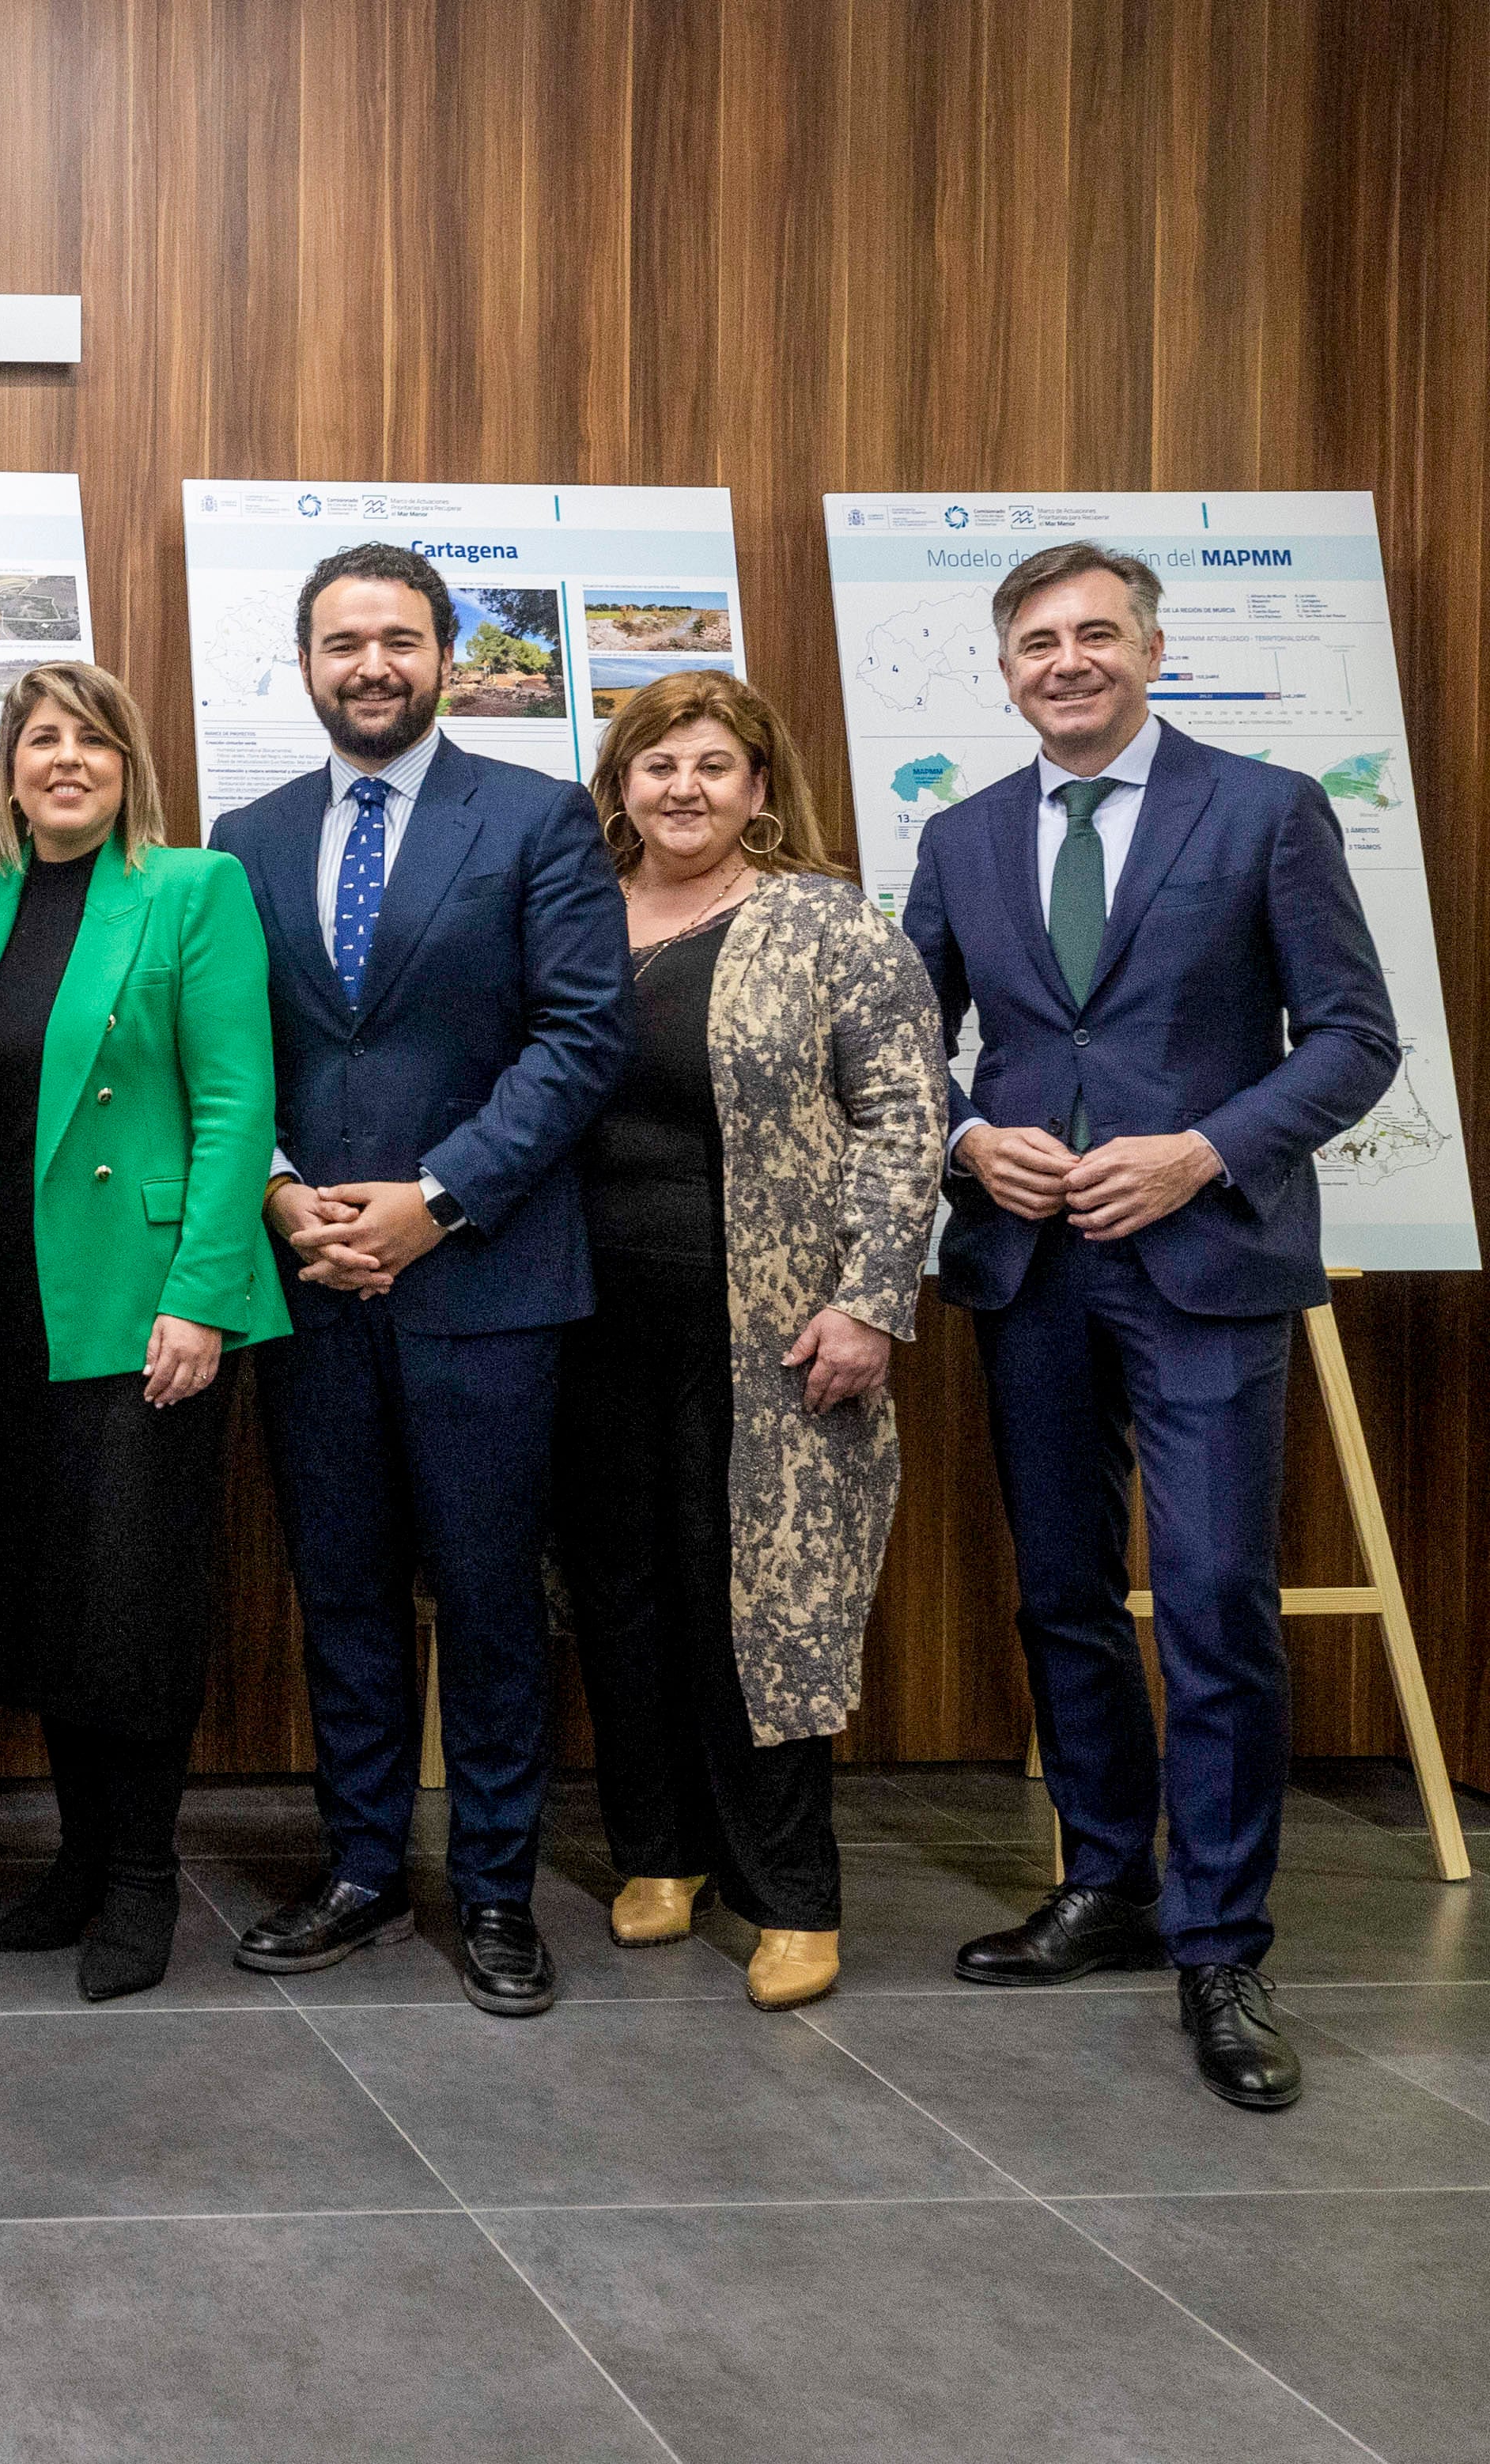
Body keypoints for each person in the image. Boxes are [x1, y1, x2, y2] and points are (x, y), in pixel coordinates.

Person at [902, 539, 1397, 2110]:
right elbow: (902, 1056)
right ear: (1003, 668)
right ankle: (1105, 1884)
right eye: (1035, 640)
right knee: (1060, 1591)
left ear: (1148, 647)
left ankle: (1219, 1940)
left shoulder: (1259, 809)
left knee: (1205, 1599)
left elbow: (1351, 1040)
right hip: (1026, 1265)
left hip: (1200, 1257)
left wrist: (1202, 1149)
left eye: (1093, 633)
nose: (1065, 660)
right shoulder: (962, 835)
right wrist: (970, 1143)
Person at [209, 542, 630, 2019]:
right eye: (340, 642)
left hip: (486, 1285)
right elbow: (223, 1055)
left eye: (397, 638)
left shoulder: (537, 819)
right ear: (306, 663)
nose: (369, 664)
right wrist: (275, 1197)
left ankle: (500, 1891)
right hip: (310, 1282)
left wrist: (435, 1203)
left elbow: (580, 1040)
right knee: (343, 1596)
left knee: (491, 1598)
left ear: (446, 656)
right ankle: (365, 1870)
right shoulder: (243, 839)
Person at [554, 671, 944, 2012]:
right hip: (588, 1319)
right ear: (621, 786)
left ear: (761, 789)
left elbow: (906, 1119)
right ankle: (660, 1854)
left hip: (772, 1336)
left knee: (759, 1605)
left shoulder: (829, 928)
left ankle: (792, 1895)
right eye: (658, 766)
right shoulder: (576, 920)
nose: (683, 789)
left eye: (714, 766)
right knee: (622, 1588)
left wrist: (873, 1300)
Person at [0, 661, 279, 2004]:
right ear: (7, 768)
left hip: (146, 1307)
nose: (62, 759)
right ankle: (77, 1862)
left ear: (129, 761)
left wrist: (199, 1294)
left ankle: (140, 1878)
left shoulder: (193, 889)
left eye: (89, 739)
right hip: (3, 1305)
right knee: (48, 1600)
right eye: (38, 740)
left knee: (133, 1601)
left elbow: (239, 1101)